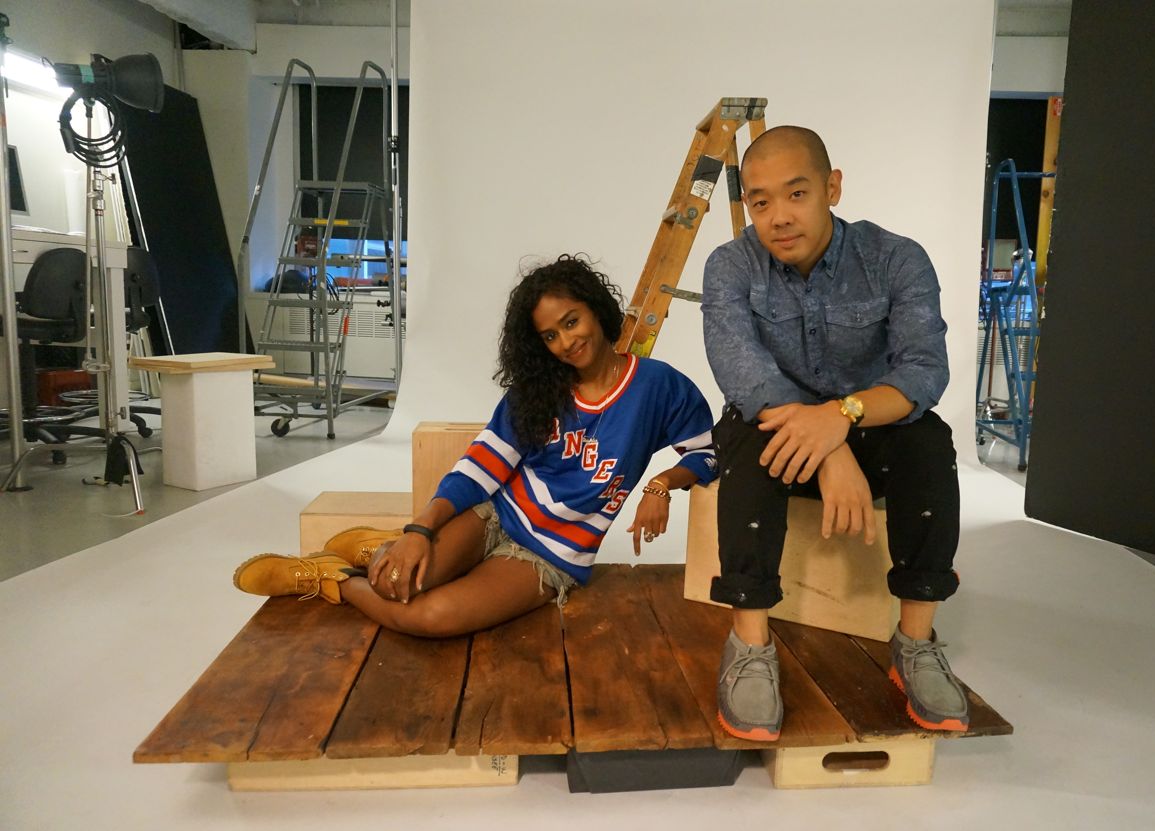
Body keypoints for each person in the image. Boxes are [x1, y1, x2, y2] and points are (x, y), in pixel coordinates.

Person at [235, 254, 718, 637]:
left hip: (551, 555)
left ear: (596, 309)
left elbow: (709, 452)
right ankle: (377, 553)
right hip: (497, 513)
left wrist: (661, 484)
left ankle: (333, 579)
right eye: (550, 336)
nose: (566, 342)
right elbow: (481, 466)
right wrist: (419, 530)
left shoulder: (657, 387)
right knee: (393, 584)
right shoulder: (540, 391)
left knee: (428, 617)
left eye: (572, 322)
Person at [702, 126, 968, 741]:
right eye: (761, 201)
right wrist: (829, 451)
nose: (778, 216)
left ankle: (915, 642)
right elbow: (744, 373)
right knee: (746, 436)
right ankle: (749, 645)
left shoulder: (896, 259)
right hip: (776, 430)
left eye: (796, 194)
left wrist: (840, 419)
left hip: (869, 424)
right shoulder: (731, 265)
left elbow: (924, 371)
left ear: (833, 188)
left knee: (928, 440)